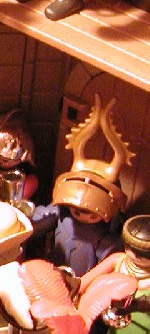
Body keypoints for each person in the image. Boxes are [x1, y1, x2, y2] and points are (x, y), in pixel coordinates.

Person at [26, 95, 131, 276]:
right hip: (52, 273)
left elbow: (107, 268)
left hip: (82, 282)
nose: (83, 216)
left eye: (91, 214)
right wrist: (25, 220)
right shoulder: (62, 214)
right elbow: (39, 220)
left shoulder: (106, 240)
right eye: (78, 211)